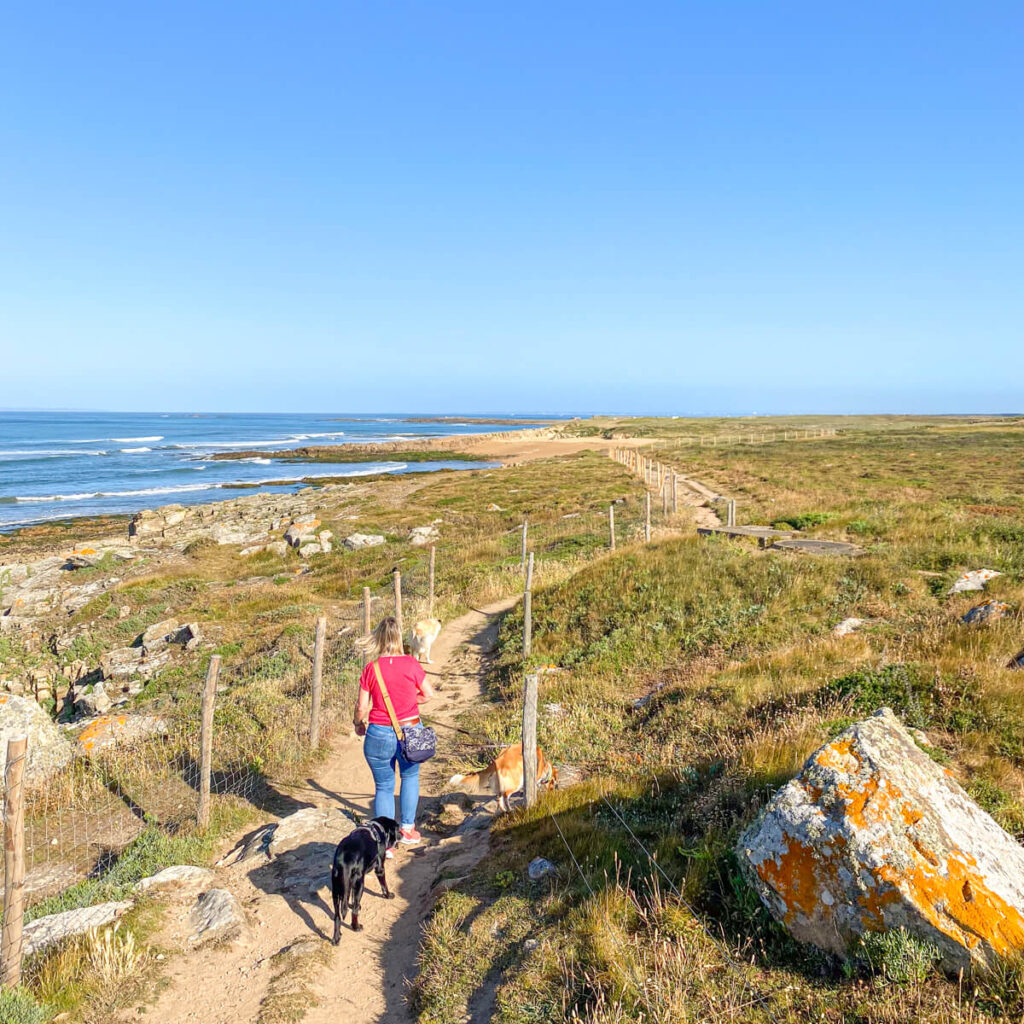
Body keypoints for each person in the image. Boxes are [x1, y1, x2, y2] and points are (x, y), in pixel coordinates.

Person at [353, 617, 435, 847]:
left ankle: (385, 841)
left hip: (378, 732)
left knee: (383, 786)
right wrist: (410, 703)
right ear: (400, 637)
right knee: (409, 777)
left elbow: (361, 707)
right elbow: (428, 694)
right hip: (410, 729)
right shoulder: (411, 664)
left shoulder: (371, 668)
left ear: (379, 639)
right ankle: (408, 829)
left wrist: (358, 723)